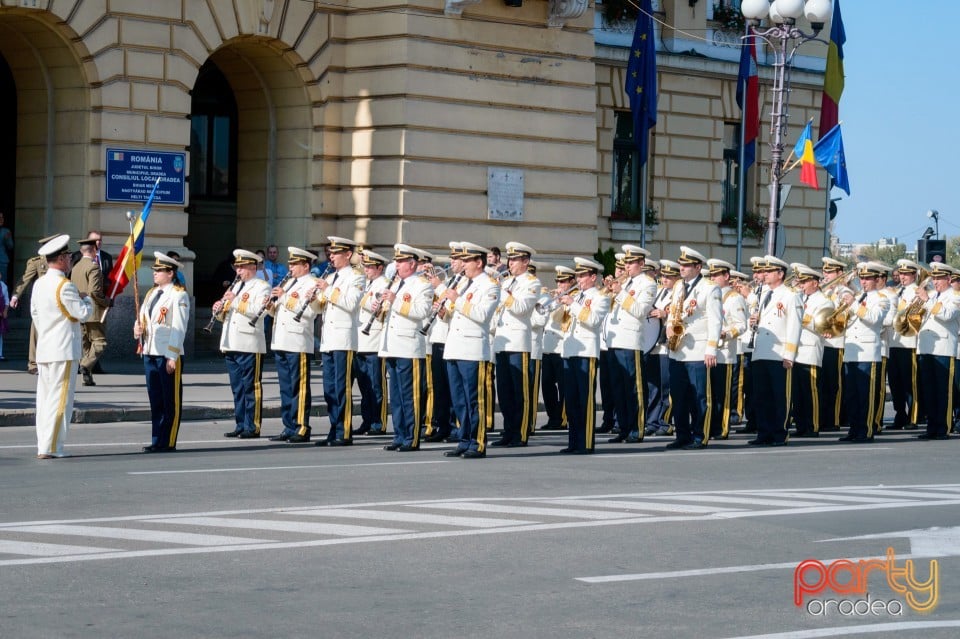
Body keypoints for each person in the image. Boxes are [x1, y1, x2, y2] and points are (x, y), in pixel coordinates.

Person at [31, 235, 93, 459]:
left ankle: (43, 444)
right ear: (60, 259)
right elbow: (83, 314)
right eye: (67, 256)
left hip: (46, 348)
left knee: (45, 399)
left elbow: (35, 316)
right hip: (64, 349)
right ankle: (52, 447)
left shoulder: (40, 284)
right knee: (60, 401)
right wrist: (86, 299)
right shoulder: (65, 286)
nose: (70, 260)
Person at [443, 242, 500, 459]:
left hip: (474, 350)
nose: (463, 265)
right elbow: (453, 314)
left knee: (474, 400)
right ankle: (464, 439)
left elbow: (482, 315)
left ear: (479, 262)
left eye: (467, 261)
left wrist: (456, 301)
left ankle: (478, 442)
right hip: (455, 348)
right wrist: (443, 309)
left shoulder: (490, 286)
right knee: (459, 400)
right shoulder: (463, 283)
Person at [665, 247, 722, 450]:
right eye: (681, 264)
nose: (681, 268)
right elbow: (673, 311)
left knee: (699, 396)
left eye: (686, 265)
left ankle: (700, 436)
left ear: (698, 267)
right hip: (678, 349)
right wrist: (669, 327)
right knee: (679, 396)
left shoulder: (710, 288)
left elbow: (716, 321)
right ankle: (682, 435)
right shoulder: (679, 286)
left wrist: (711, 349)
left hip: (698, 349)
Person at [379, 244, 434, 451]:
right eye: (396, 261)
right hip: (391, 345)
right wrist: (381, 307)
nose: (397, 265)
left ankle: (411, 437)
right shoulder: (395, 284)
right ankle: (399, 434)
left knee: (409, 395)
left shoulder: (422, 285)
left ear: (412, 264)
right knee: (396, 395)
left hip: (409, 345)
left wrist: (395, 301)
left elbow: (422, 312)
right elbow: (389, 313)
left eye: (401, 262)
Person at [134, 252, 190, 453]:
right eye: (155, 270)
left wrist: (172, 356)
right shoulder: (151, 294)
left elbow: (178, 327)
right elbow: (143, 317)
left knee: (170, 400)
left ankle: (169, 440)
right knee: (155, 399)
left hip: (167, 354)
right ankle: (157, 438)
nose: (155, 274)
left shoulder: (178, 295)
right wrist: (137, 328)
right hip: (150, 351)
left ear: (170, 272)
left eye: (159, 271)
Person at [311, 236, 363, 446]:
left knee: (343, 388)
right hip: (329, 340)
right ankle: (334, 428)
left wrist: (327, 290)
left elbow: (350, 304)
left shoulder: (356, 277)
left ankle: (344, 431)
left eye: (335, 253)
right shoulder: (331, 278)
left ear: (348, 255)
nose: (331, 257)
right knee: (329, 389)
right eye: (330, 253)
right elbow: (319, 308)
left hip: (343, 340)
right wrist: (314, 298)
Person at [215, 249, 272, 439]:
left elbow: (259, 311)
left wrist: (235, 300)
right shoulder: (236, 286)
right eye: (237, 267)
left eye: (241, 267)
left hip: (249, 343)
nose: (238, 271)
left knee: (251, 386)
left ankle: (253, 425)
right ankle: (240, 424)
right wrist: (218, 309)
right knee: (237, 387)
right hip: (231, 342)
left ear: (252, 267)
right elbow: (226, 315)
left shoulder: (261, 286)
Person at [490, 242, 541, 448]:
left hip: (519, 343)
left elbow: (520, 308)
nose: (510, 263)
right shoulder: (507, 282)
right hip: (502, 341)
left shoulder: (532, 282)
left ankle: (520, 433)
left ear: (526, 261)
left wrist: (502, 292)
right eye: (509, 259)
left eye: (515, 259)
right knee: (504, 392)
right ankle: (508, 431)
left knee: (520, 393)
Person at [605, 245, 657, 443]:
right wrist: (611, 290)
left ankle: (637, 429)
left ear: (641, 264)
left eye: (631, 263)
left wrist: (619, 293)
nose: (626, 266)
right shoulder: (625, 282)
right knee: (619, 389)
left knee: (634, 389)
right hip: (614, 340)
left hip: (631, 341)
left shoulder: (648, 284)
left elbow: (640, 311)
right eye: (625, 263)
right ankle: (624, 428)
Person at [268, 247, 320, 442]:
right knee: (285, 388)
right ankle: (288, 426)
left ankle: (301, 427)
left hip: (298, 342)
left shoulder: (311, 284)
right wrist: (270, 306)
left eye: (294, 264)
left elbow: (309, 312)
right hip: (281, 340)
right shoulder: (289, 283)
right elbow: (279, 312)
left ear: (305, 266)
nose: (290, 267)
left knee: (299, 387)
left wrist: (284, 297)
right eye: (290, 263)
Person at [748, 255, 802, 447]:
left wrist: (789, 355)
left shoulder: (790, 295)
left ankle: (780, 433)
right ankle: (764, 432)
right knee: (761, 396)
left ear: (780, 274)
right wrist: (754, 322)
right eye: (765, 271)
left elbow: (794, 327)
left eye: (769, 271)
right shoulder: (762, 294)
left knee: (780, 396)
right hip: (761, 350)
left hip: (779, 353)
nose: (765, 274)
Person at [558, 257, 610, 454]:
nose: (578, 280)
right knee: (571, 401)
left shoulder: (600, 297)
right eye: (577, 276)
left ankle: (586, 442)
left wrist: (572, 304)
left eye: (582, 276)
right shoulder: (576, 296)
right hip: (570, 350)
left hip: (586, 352)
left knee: (585, 400)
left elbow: (594, 320)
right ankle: (573, 441)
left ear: (593, 277)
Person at [838, 261, 890, 443]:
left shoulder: (882, 299)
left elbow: (873, 319)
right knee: (851, 395)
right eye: (862, 278)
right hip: (852, 351)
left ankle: (866, 430)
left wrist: (852, 304)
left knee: (865, 395)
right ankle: (854, 429)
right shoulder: (858, 296)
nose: (864, 282)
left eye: (868, 278)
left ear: (876, 280)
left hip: (868, 353)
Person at [915, 262, 960, 441]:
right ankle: (932, 426)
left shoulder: (955, 296)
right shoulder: (932, 295)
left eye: (939, 279)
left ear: (948, 279)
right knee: (929, 391)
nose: (935, 282)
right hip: (926, 347)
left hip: (943, 348)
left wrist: (927, 300)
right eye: (933, 278)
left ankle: (943, 427)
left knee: (943, 391)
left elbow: (947, 315)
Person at [790, 263, 834, 438]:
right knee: (798, 393)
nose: (801, 285)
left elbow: (823, 325)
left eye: (805, 281)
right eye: (800, 281)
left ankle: (813, 425)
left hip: (810, 351)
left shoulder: (824, 301)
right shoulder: (800, 298)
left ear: (815, 283)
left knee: (811, 393)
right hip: (795, 350)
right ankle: (801, 425)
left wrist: (801, 316)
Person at [706, 258, 748, 440]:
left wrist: (725, 333)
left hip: (724, 352)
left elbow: (741, 325)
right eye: (711, 275)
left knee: (722, 394)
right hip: (708, 351)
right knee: (709, 394)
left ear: (726, 276)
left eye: (716, 275)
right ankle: (709, 426)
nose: (713, 278)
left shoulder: (735, 298)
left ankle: (722, 427)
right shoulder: (709, 293)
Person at [354, 249, 391, 436]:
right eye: (365, 266)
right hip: (361, 340)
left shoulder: (384, 284)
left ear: (379, 267)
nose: (366, 269)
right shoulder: (369, 284)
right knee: (364, 385)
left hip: (375, 340)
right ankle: (367, 420)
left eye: (369, 266)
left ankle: (379, 421)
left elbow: (380, 309)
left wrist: (364, 300)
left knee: (376, 384)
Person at [9, 235, 59, 374]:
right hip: (43, 303)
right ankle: (33, 364)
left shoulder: (61, 260)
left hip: (58, 302)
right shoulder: (37, 262)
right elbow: (25, 279)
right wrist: (15, 296)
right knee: (36, 332)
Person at [644, 259, 681, 437]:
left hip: (667, 345)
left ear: (676, 278)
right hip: (654, 345)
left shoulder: (679, 294)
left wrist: (665, 314)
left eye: (669, 277)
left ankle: (665, 421)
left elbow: (679, 314)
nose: (664, 279)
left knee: (667, 387)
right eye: (663, 276)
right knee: (653, 386)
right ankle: (652, 421)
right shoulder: (659, 292)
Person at [538, 265, 576, 431]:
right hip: (548, 346)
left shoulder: (574, 298)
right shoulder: (555, 298)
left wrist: (561, 301)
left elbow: (557, 317)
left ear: (571, 282)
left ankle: (562, 418)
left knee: (563, 386)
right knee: (546, 384)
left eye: (563, 282)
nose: (560, 285)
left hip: (561, 347)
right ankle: (553, 416)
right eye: (558, 281)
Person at [886, 260, 922, 429]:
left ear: (914, 275)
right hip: (893, 341)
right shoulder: (896, 291)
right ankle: (900, 414)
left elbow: (914, 316)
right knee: (895, 382)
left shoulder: (917, 292)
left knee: (910, 383)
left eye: (906, 274)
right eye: (901, 274)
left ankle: (914, 416)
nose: (903, 277)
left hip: (908, 343)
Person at [71, 238, 109, 386]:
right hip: (93, 311)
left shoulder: (76, 267)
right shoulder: (93, 267)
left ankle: (87, 377)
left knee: (86, 345)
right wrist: (107, 302)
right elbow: (94, 292)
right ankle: (85, 366)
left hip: (79, 312)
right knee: (100, 343)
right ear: (94, 250)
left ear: (81, 251)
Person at [0, 211, 13, 285]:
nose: (1, 219)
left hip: (2, 261)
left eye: (2, 218)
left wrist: (7, 239)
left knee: (2, 283)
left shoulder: (6, 231)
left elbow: (11, 246)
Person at [0, 277, 8, 360]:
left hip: (1, 312)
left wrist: (5, 311)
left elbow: (6, 299)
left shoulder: (3, 285)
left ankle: (0, 353)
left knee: (0, 334)